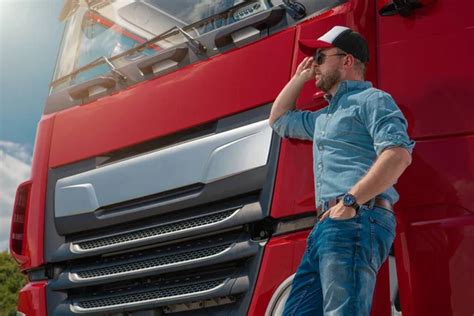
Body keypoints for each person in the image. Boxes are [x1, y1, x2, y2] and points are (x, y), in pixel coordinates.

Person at [268, 26, 415, 315]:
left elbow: (398, 155)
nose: (314, 64)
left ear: (347, 61)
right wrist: (300, 78)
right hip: (329, 224)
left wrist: (350, 202)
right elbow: (280, 120)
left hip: (357, 217)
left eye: (320, 57)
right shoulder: (324, 118)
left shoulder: (373, 100)